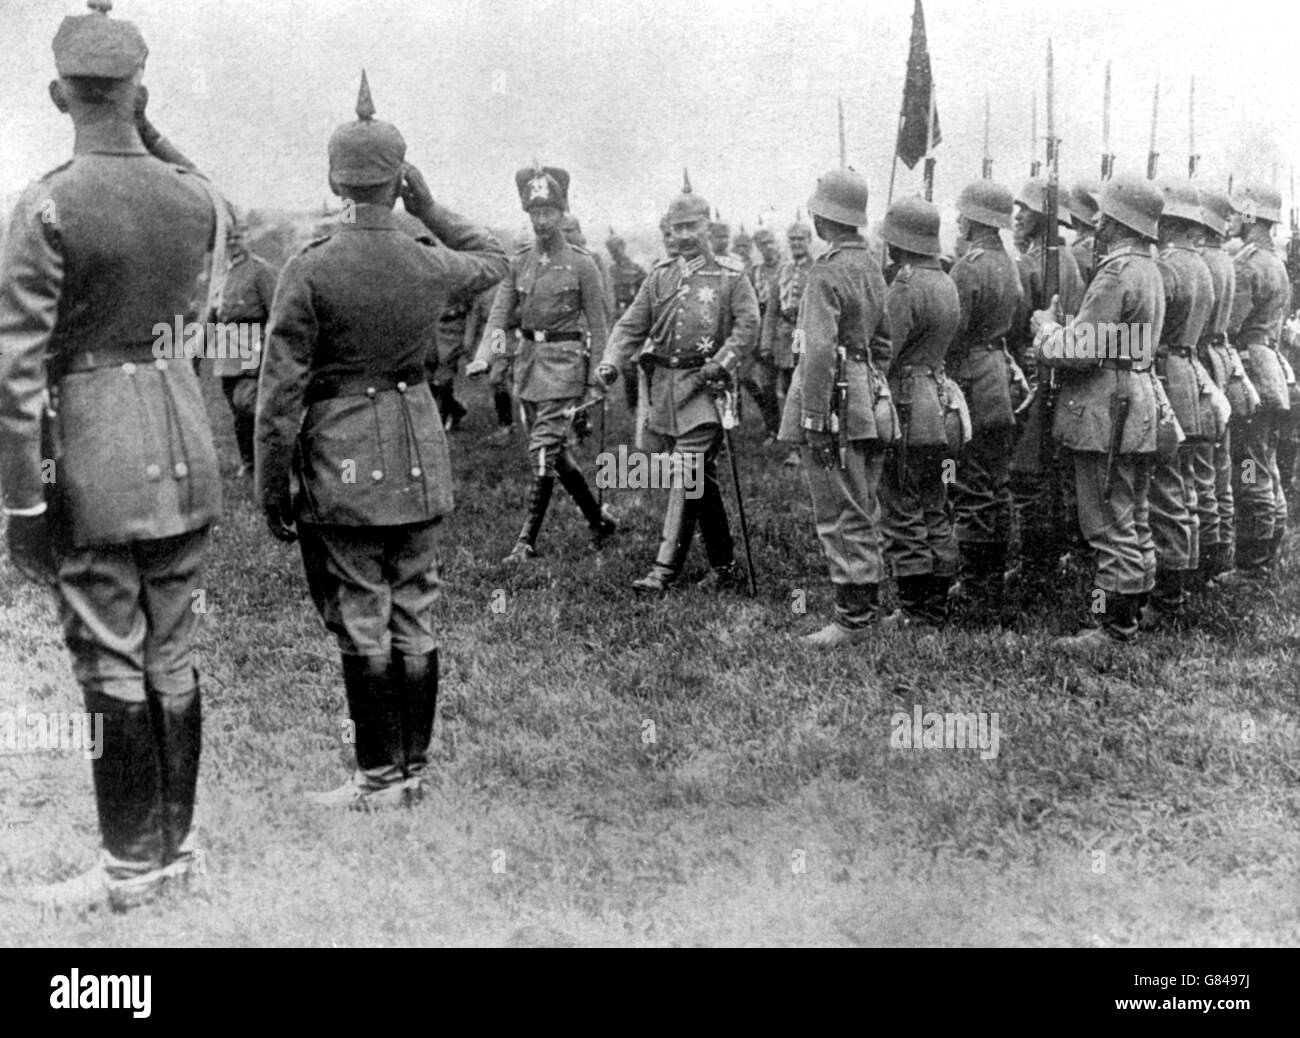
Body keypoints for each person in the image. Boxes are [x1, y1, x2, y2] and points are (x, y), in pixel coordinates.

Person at [0, 1, 225, 910]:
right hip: (183, 439)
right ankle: (176, 853)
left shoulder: (46, 203)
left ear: (59, 94)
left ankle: (131, 867)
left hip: (90, 457)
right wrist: (143, 120)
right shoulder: (195, 198)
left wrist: (21, 501)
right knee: (172, 653)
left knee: (107, 655)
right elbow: (197, 183)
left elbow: (14, 372)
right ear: (141, 92)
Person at [255, 73, 507, 808]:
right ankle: (414, 773)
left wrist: (273, 487)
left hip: (343, 461)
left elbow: (279, 397)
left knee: (362, 609)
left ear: (335, 179)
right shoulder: (427, 257)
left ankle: (376, 775)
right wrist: (427, 205)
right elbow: (494, 257)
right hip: (417, 454)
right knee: (415, 607)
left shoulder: (311, 265)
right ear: (399, 180)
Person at [596, 174, 760, 593]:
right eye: (677, 228)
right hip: (667, 390)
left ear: (708, 226)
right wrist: (612, 362)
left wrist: (722, 364)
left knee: (684, 472)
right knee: (699, 478)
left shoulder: (731, 276)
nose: (685, 236)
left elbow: (748, 326)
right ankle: (725, 568)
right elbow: (631, 325)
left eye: (692, 227)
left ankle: (663, 568)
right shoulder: (660, 276)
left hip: (707, 391)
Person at [1031, 174, 1166, 656]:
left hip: (1108, 409)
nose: (1098, 220)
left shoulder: (1115, 273)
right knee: (1134, 515)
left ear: (1116, 218)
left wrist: (1047, 332)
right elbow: (1118, 340)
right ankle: (1132, 615)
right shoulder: (1147, 268)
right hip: (1136, 398)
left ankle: (1113, 632)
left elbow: (1082, 352)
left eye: (1104, 213)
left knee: (1108, 521)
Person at [466, 167, 615, 563]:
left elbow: (600, 325)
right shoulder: (519, 262)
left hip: (566, 366)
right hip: (528, 365)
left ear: (563, 212)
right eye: (535, 213)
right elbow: (500, 316)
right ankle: (598, 519)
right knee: (554, 453)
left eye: (549, 212)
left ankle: (526, 541)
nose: (542, 220)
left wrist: (599, 373)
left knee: (544, 449)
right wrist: (485, 356)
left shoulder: (583, 264)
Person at [778, 168, 893, 645]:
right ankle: (867, 607)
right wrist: (867, 382)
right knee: (863, 502)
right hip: (865, 393)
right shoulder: (871, 265)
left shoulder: (825, 270)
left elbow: (818, 350)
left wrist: (814, 415)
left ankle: (854, 619)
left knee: (837, 507)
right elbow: (884, 342)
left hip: (834, 401)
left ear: (825, 217)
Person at [877, 196, 963, 627]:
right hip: (940, 403)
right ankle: (939, 598)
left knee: (900, 505)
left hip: (906, 407)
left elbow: (884, 350)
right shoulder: (945, 280)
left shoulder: (906, 285)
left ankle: (917, 609)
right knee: (934, 502)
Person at [946, 180, 1024, 626]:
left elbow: (953, 331)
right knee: (993, 482)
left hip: (971, 378)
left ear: (974, 219)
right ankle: (987, 579)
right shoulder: (1007, 264)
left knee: (971, 482)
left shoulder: (969, 268)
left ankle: (978, 586)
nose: (958, 220)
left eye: (962, 214)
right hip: (998, 374)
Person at [1143, 180, 1220, 629]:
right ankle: (1184, 583)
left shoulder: (1168, 267)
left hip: (1167, 375)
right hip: (1189, 375)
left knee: (1166, 488)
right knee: (1186, 487)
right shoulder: (1201, 265)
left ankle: (1168, 599)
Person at [1007, 177, 1087, 595]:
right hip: (1063, 373)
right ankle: (1059, 556)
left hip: (1034, 373)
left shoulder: (1025, 265)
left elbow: (1015, 327)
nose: (1017, 216)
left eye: (1026, 210)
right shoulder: (1070, 262)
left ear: (1041, 218)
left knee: (1027, 475)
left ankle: (1036, 568)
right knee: (1056, 472)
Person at [1227, 181, 1292, 579]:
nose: (1231, 218)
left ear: (1251, 217)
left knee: (1250, 468)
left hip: (1251, 369)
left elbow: (1230, 326)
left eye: (1236, 212)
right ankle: (1268, 550)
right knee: (1266, 464)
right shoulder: (1275, 262)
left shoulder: (1249, 264)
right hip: (1270, 368)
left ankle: (1253, 566)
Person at [1195, 185, 1251, 585]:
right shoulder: (1228, 260)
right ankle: (1218, 554)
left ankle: (1202, 561)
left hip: (1198, 359)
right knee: (1220, 467)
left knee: (1200, 468)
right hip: (1221, 358)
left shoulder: (1202, 261)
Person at [210, 219, 278, 474]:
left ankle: (265, 461)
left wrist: (270, 351)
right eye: (227, 240)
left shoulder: (261, 271)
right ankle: (248, 462)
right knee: (236, 410)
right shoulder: (221, 274)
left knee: (249, 405)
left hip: (253, 342)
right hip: (227, 346)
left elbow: (276, 313)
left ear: (247, 238)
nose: (232, 244)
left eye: (237, 238)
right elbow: (212, 315)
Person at [766, 220, 816, 466]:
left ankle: (805, 444)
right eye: (792, 240)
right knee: (788, 389)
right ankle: (793, 444)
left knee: (805, 388)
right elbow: (773, 308)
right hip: (786, 336)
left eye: (801, 239)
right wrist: (766, 341)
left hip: (806, 334)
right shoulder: (783, 269)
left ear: (809, 241)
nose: (796, 244)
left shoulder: (817, 269)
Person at [606, 229, 647, 411]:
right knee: (627, 369)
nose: (615, 253)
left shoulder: (636, 270)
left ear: (623, 247)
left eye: (617, 248)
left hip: (636, 321)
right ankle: (634, 407)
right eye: (611, 250)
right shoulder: (609, 272)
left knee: (639, 365)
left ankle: (646, 404)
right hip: (618, 321)